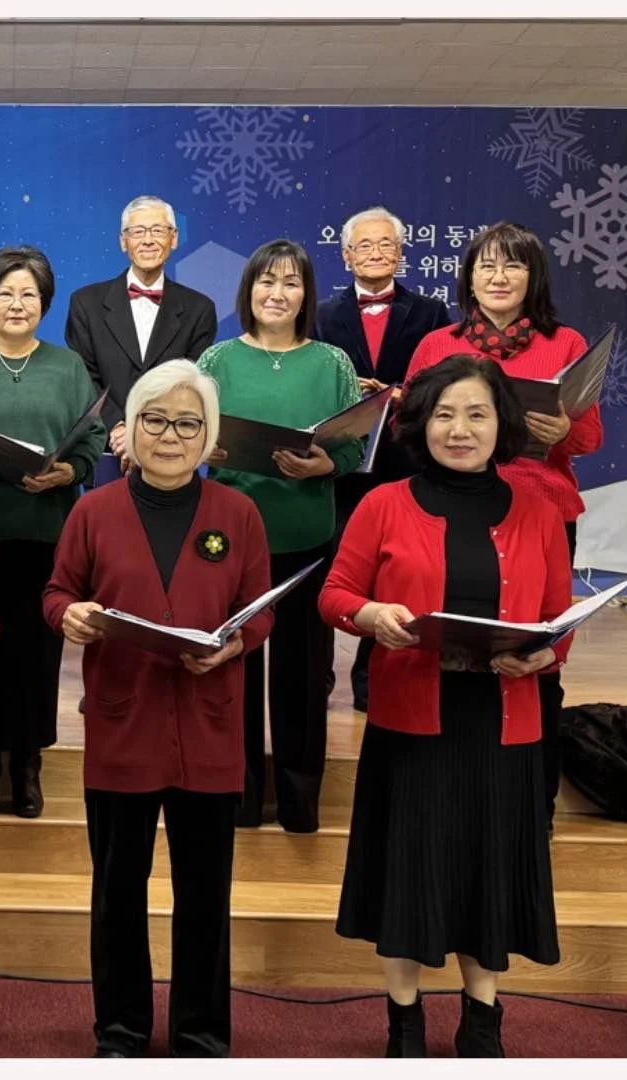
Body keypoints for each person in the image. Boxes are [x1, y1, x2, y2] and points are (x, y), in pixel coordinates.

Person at [318, 355, 572, 1058]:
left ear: (502, 424)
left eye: (477, 414)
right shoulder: (383, 503)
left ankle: (481, 1022)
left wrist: (546, 654)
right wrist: (372, 615)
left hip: (503, 718)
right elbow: (334, 595)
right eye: (444, 414)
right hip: (411, 720)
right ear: (421, 423)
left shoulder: (539, 511)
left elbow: (559, 619)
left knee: (487, 873)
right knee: (409, 872)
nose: (460, 429)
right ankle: (404, 1023)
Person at [44, 360, 273, 1059]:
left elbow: (260, 611)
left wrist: (233, 646)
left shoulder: (238, 513)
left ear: (208, 437)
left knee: (205, 894)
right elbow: (57, 593)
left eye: (187, 424)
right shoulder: (92, 511)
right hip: (124, 726)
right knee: (118, 892)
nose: (170, 436)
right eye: (155, 420)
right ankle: (121, 1031)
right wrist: (69, 615)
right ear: (131, 427)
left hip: (209, 728)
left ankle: (201, 1033)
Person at [406, 221, 601, 826]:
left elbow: (590, 437)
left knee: (535, 653)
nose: (498, 276)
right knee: (454, 656)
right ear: (468, 278)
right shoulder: (437, 345)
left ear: (533, 277)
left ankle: (531, 808)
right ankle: (450, 795)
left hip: (540, 511)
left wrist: (562, 431)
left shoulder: (566, 343)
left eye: (512, 265)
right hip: (451, 513)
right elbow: (408, 429)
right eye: (486, 265)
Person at [0, 245, 105, 818]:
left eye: (29, 293)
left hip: (46, 530)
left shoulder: (67, 367)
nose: (17, 303)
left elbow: (91, 438)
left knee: (37, 654)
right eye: (5, 293)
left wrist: (68, 472)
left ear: (44, 304)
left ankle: (28, 764)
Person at [196, 239, 364, 833]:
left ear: (306, 295)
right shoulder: (215, 360)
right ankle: (237, 797)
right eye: (267, 281)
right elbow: (191, 432)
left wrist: (328, 465)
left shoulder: (333, 363)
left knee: (302, 675)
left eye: (291, 282)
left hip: (306, 537)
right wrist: (205, 449)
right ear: (248, 291)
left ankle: (300, 801)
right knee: (233, 668)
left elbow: (355, 446)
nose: (277, 293)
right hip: (229, 542)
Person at [315, 206, 455, 711]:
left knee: (394, 571)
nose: (375, 253)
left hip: (405, 459)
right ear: (346, 255)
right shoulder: (321, 314)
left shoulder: (431, 313)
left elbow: (445, 383)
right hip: (336, 462)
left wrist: (399, 396)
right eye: (364, 245)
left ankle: (372, 680)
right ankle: (315, 679)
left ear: (400, 253)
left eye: (385, 244)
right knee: (328, 566)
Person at [64, 195, 218, 484]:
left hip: (171, 450)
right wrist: (119, 428)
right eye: (138, 231)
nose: (148, 240)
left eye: (158, 230)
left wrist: (150, 431)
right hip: (109, 450)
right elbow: (83, 378)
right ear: (123, 241)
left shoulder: (200, 309)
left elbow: (192, 383)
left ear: (174, 238)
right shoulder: (85, 303)